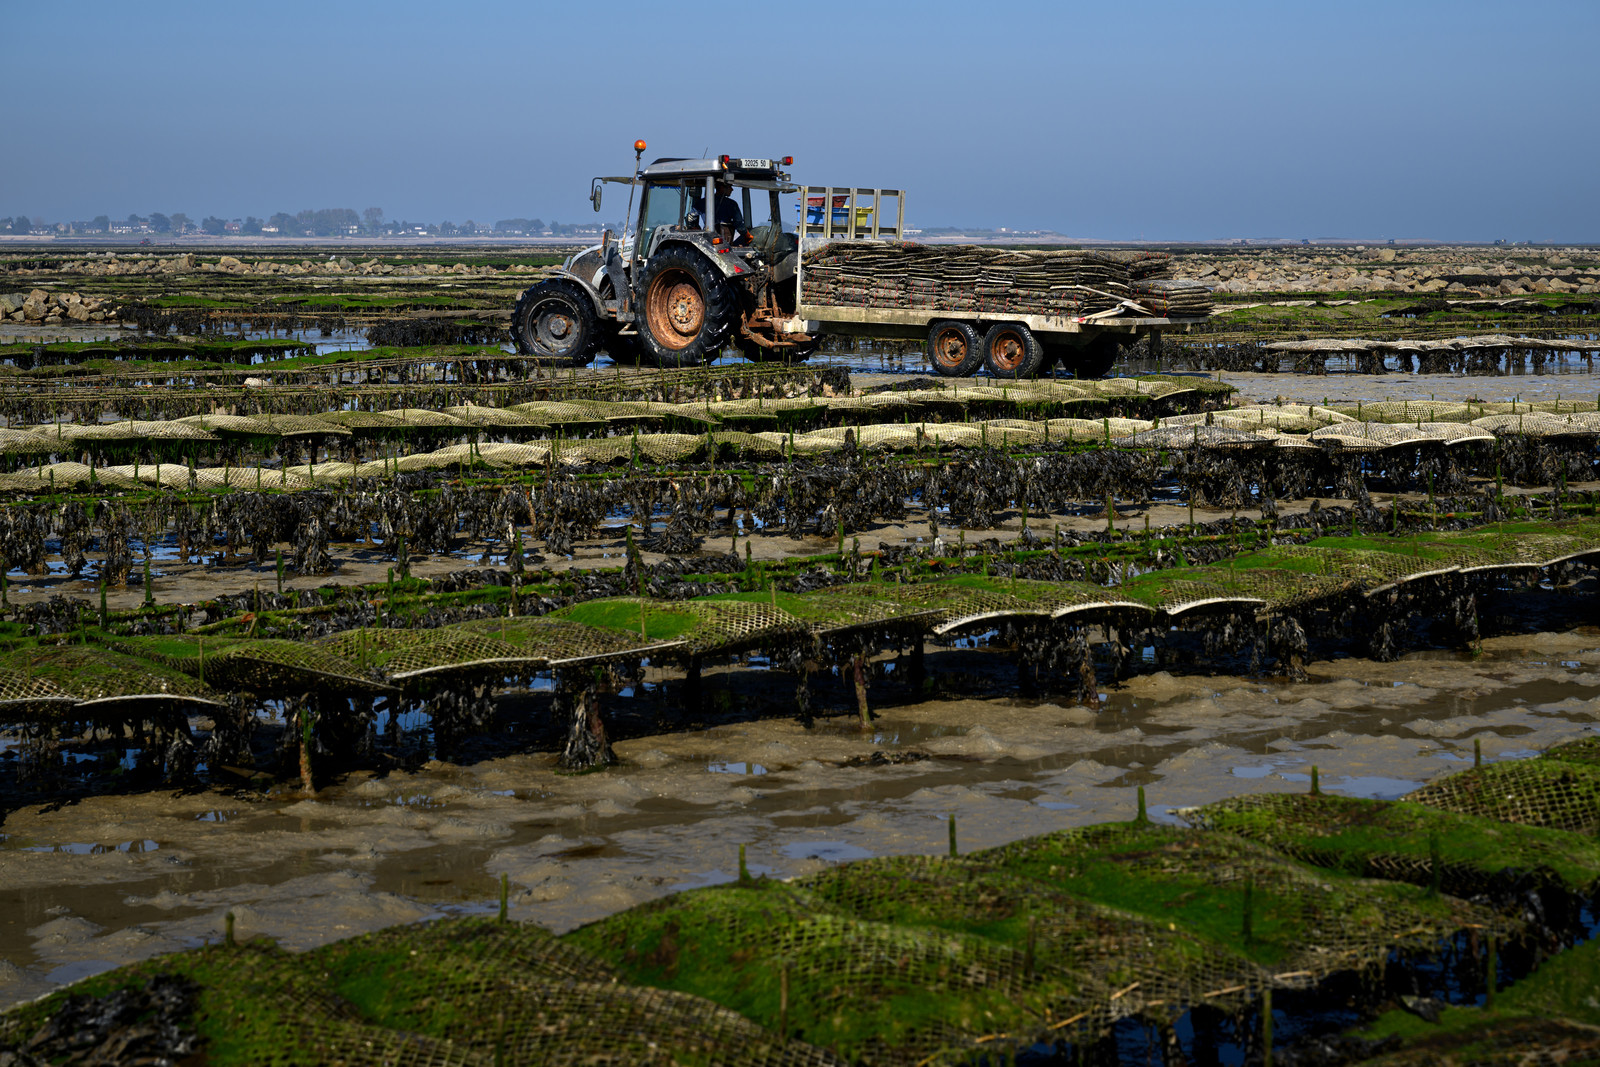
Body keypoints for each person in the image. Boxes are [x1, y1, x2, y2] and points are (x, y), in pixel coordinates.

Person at [690, 178, 747, 245]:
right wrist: (746, 234)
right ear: (721, 188)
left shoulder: (703, 202)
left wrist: (695, 228)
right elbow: (738, 222)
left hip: (707, 238)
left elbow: (691, 217)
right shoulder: (732, 204)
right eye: (730, 187)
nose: (732, 189)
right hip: (726, 239)